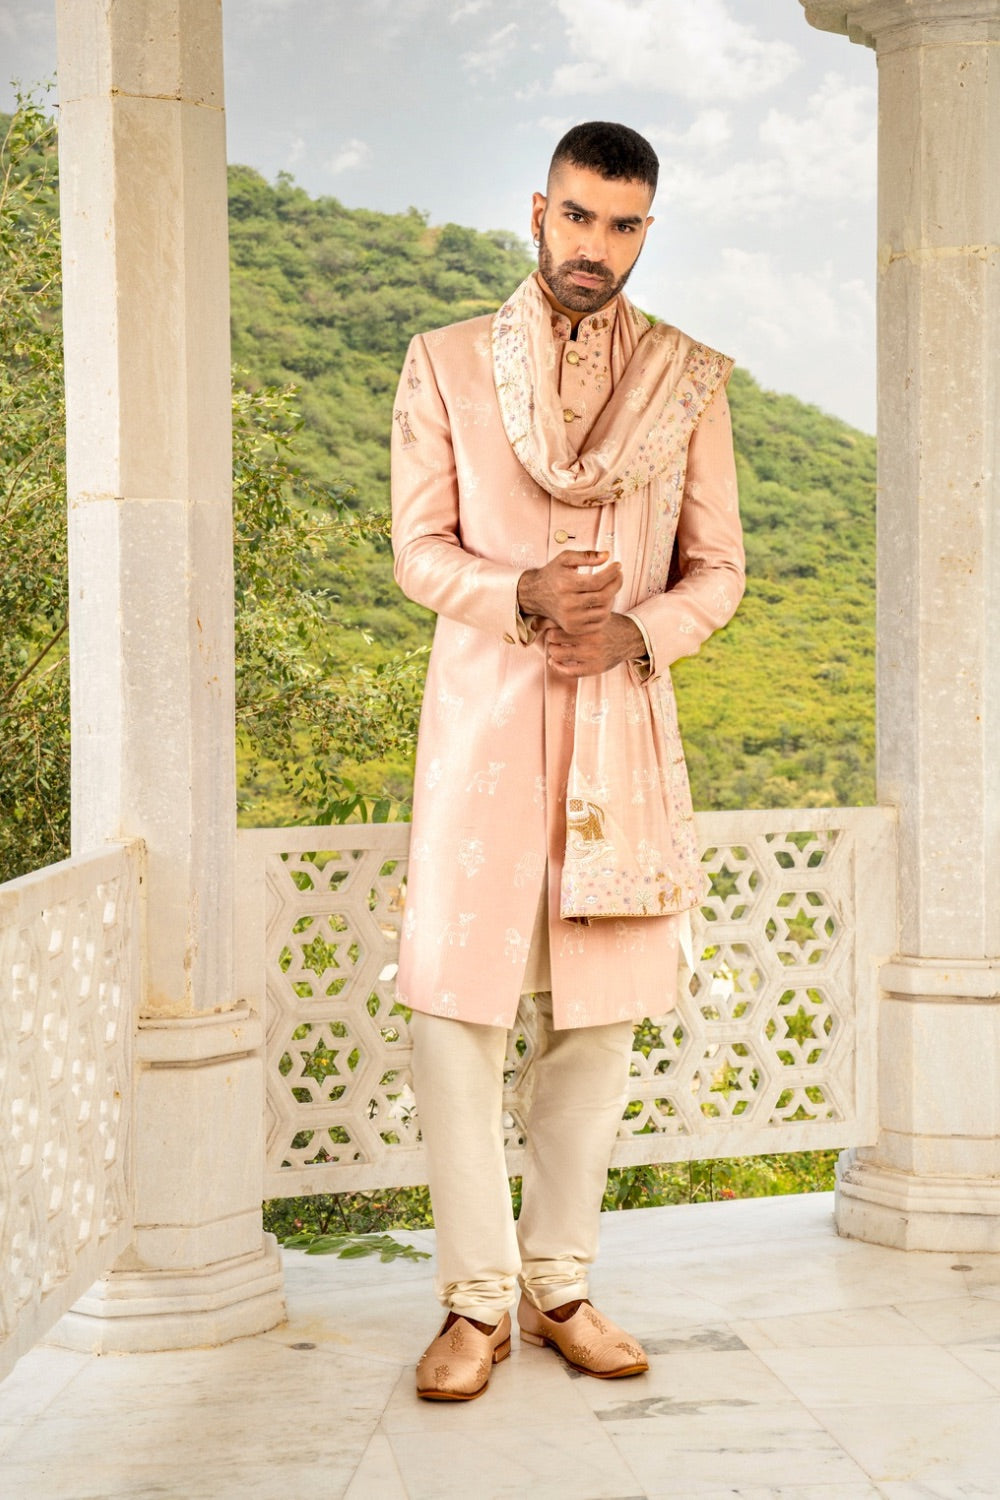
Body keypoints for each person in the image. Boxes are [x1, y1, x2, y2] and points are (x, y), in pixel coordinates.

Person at [390, 121, 744, 1401]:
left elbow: (719, 571)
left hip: (617, 740)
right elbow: (417, 550)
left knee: (594, 1026)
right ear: (538, 212)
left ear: (646, 230)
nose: (597, 246)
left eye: (623, 224)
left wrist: (636, 633)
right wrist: (518, 594)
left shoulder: (685, 383)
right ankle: (474, 1305)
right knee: (455, 1017)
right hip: (483, 734)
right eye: (579, 216)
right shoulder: (442, 364)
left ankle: (560, 1288)